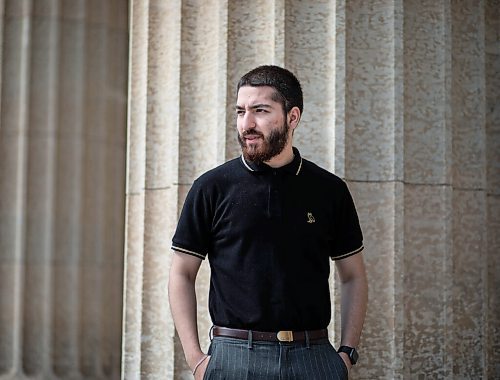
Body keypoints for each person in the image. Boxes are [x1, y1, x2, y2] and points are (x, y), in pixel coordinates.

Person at [168, 65, 368, 380]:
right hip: (233, 358)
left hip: (314, 358)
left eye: (260, 111)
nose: (246, 123)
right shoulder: (211, 187)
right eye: (240, 111)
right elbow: (181, 272)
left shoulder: (329, 190)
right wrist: (196, 360)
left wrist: (346, 355)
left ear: (293, 117)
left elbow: (353, 276)